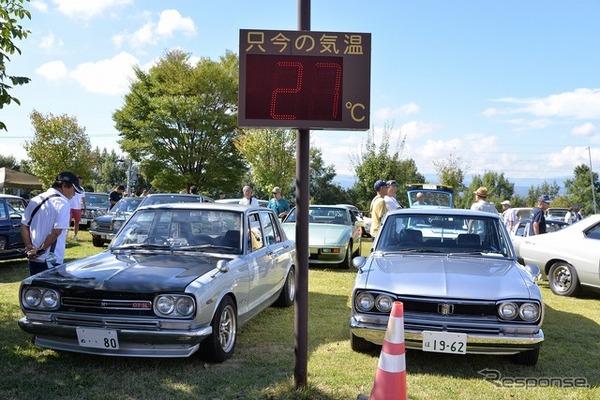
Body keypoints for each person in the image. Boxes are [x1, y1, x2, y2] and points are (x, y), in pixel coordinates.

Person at [20, 171, 84, 275]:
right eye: (74, 190)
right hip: (51, 260)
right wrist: (40, 250)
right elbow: (56, 232)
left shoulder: (35, 199)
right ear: (64, 186)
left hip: (33, 258)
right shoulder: (63, 204)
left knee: (35, 290)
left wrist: (29, 247)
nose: (74, 194)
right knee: (50, 291)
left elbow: (24, 226)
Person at [68, 175, 86, 241]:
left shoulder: (81, 189)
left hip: (78, 207)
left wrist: (85, 207)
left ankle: (75, 235)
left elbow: (83, 198)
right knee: (68, 221)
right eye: (78, 180)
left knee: (77, 222)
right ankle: (65, 234)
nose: (79, 182)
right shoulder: (71, 187)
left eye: (80, 181)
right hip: (70, 206)